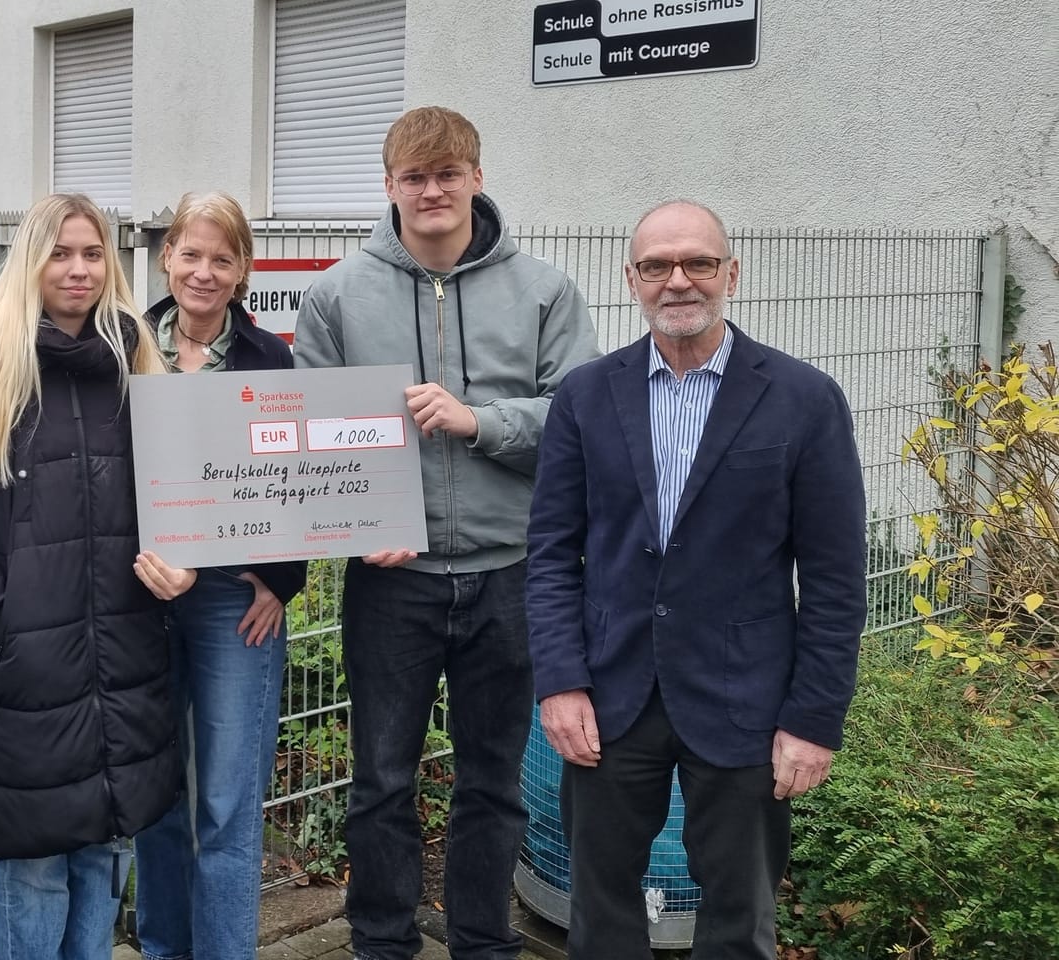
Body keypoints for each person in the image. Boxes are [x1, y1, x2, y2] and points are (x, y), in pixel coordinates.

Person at [293, 107, 598, 960]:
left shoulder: (543, 290)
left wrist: (479, 420)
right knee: (381, 781)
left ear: (476, 177)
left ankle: (479, 941)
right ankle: (382, 942)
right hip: (393, 580)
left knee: (492, 783)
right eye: (415, 176)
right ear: (388, 186)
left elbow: (578, 419)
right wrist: (352, 525)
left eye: (448, 173)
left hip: (511, 574)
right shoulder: (336, 294)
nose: (433, 190)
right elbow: (311, 429)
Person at [525, 200, 867, 960]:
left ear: (730, 273)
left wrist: (815, 717)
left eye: (698, 263)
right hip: (609, 699)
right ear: (632, 280)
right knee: (601, 912)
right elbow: (551, 553)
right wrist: (559, 681)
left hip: (746, 699)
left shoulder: (803, 399)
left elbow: (838, 579)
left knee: (740, 919)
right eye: (657, 266)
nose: (678, 280)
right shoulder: (585, 396)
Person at [0, 193, 193, 960]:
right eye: (60, 253)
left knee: (102, 850)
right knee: (36, 863)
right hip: (27, 662)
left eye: (93, 254)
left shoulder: (138, 361)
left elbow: (182, 496)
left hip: (127, 653)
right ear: (30, 261)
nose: (78, 269)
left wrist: (182, 563)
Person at [132, 191, 300, 960]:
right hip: (138, 596)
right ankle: (164, 947)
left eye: (222, 258)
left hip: (235, 600)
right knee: (157, 798)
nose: (204, 271)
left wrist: (279, 579)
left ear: (242, 271)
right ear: (167, 256)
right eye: (191, 254)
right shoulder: (121, 344)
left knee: (229, 804)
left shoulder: (271, 357)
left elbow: (295, 475)